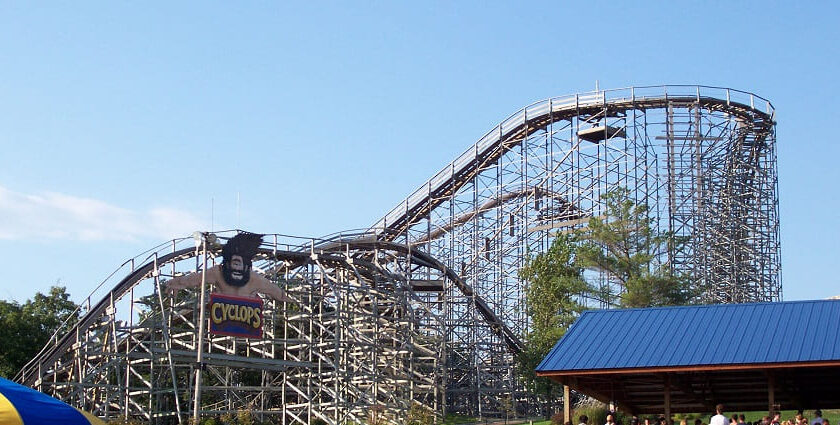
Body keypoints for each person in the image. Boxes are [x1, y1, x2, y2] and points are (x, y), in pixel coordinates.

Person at [165, 232, 293, 302]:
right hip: (223, 318)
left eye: (240, 263)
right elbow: (196, 278)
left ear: (247, 267)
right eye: (234, 262)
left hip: (246, 320)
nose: (237, 265)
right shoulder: (218, 273)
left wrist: (298, 303)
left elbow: (278, 293)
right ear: (226, 264)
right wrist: (176, 282)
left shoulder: (254, 279)